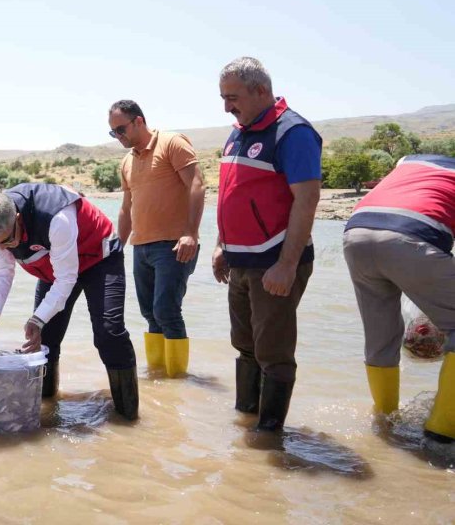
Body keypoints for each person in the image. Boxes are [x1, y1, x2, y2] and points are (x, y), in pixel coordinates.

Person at [211, 57, 322, 432]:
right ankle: (246, 425)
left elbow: (307, 200)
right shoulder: (237, 132)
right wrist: (221, 245)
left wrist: (287, 265)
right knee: (245, 346)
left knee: (273, 353)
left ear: (260, 90)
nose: (227, 107)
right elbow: (231, 194)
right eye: (223, 98)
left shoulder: (293, 132)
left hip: (274, 263)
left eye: (232, 97)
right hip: (240, 262)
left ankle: (269, 440)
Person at [0, 183, 139, 420]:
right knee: (44, 340)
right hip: (56, 265)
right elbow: (1, 273)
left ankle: (128, 415)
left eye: (7, 241)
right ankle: (48, 413)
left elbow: (66, 279)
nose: (4, 248)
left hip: (99, 257)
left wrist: (37, 318)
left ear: (17, 218)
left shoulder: (56, 218)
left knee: (109, 333)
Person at [343, 155, 455, 443]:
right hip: (410, 236)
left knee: (381, 336)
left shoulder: (411, 162)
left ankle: (385, 420)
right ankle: (441, 433)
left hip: (357, 233)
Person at [110, 99, 206, 377]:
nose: (118, 136)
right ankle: (158, 379)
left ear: (139, 121)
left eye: (121, 129)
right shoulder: (127, 161)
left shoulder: (172, 143)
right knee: (150, 315)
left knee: (166, 311)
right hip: (141, 247)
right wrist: (117, 246)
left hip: (174, 245)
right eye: (113, 132)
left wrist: (191, 233)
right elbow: (126, 208)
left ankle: (177, 379)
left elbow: (197, 184)